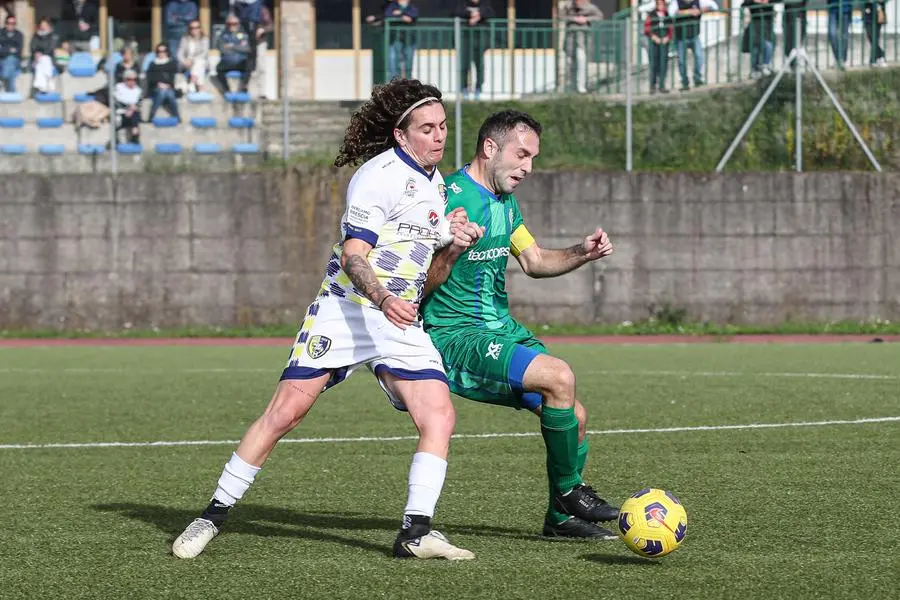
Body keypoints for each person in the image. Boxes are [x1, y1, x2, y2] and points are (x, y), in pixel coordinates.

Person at [171, 79, 484, 562]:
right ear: (401, 135)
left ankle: (416, 533)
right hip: (346, 310)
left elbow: (430, 280)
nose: (439, 136)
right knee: (284, 415)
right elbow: (356, 255)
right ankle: (212, 514)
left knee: (439, 414)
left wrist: (453, 244)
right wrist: (382, 298)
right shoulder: (376, 177)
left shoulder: (436, 186)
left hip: (397, 318)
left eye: (442, 126)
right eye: (427, 128)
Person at [421, 110, 619, 540]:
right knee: (559, 375)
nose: (528, 167)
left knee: (575, 415)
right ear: (490, 148)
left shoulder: (504, 202)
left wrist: (580, 252)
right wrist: (449, 249)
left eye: (533, 158)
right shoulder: (448, 197)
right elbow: (418, 281)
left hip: (499, 330)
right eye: (522, 154)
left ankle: (560, 517)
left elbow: (533, 261)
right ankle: (570, 491)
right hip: (457, 336)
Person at [456, 0, 494, 100]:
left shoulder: (485, 4)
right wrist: (471, 14)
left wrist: (479, 14)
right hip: (466, 40)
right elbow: (456, 12)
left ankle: (478, 88)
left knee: (479, 66)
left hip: (480, 40)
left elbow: (490, 13)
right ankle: (464, 88)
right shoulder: (463, 4)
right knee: (465, 65)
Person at [562, 0, 603, 94]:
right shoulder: (568, 6)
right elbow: (562, 16)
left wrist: (586, 19)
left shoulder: (590, 7)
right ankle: (571, 85)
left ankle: (581, 86)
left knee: (581, 60)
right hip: (570, 37)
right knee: (569, 61)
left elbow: (599, 16)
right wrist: (574, 19)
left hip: (582, 38)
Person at [145, 43, 181, 122]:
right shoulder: (153, 64)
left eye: (164, 51)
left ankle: (152, 117)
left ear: (167, 52)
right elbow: (150, 77)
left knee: (169, 93)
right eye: (159, 51)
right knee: (163, 92)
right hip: (155, 88)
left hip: (169, 87)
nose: (161, 53)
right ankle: (152, 115)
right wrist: (158, 84)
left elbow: (173, 77)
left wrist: (167, 85)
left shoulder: (172, 63)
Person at [385, 0, 418, 80]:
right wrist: (403, 16)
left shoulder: (411, 7)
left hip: (409, 38)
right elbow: (388, 14)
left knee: (409, 59)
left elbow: (414, 14)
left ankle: (408, 79)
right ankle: (396, 80)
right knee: (395, 60)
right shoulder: (393, 5)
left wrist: (399, 13)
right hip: (397, 38)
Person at [644, 0, 672, 94]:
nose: (661, 6)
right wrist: (654, 37)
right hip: (654, 40)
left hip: (664, 41)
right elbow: (647, 28)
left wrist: (667, 37)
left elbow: (671, 28)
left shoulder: (667, 15)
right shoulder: (651, 15)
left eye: (662, 4)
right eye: (659, 4)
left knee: (663, 64)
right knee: (654, 64)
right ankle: (652, 86)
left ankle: (662, 85)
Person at [177, 19, 209, 92]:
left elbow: (204, 53)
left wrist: (192, 60)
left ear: (200, 28)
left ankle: (192, 83)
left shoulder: (204, 39)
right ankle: (200, 88)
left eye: (197, 27)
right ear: (189, 29)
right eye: (192, 28)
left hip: (198, 61)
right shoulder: (185, 39)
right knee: (200, 66)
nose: (195, 29)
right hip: (186, 63)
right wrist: (184, 61)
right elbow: (179, 53)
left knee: (200, 62)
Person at [30, 17, 60, 94]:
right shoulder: (36, 36)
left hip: (50, 60)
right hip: (37, 60)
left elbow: (51, 48)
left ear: (49, 26)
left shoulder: (53, 36)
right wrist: (36, 53)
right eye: (42, 25)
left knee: (44, 59)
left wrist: (41, 53)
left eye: (45, 25)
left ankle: (41, 85)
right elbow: (33, 47)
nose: (43, 26)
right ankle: (49, 81)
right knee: (41, 61)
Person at [0, 13, 23, 93]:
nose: (10, 25)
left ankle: (5, 83)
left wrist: (3, 49)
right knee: (10, 67)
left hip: (14, 60)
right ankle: (12, 91)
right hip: (1, 59)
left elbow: (19, 51)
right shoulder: (1, 33)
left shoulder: (19, 35)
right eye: (8, 23)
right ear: (5, 23)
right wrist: (10, 49)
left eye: (13, 23)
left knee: (10, 61)